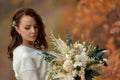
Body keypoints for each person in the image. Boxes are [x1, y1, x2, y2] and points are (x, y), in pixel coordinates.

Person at [7, 8, 51, 80]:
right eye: (27, 28)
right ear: (17, 29)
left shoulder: (30, 48)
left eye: (35, 27)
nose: (33, 31)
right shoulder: (24, 55)